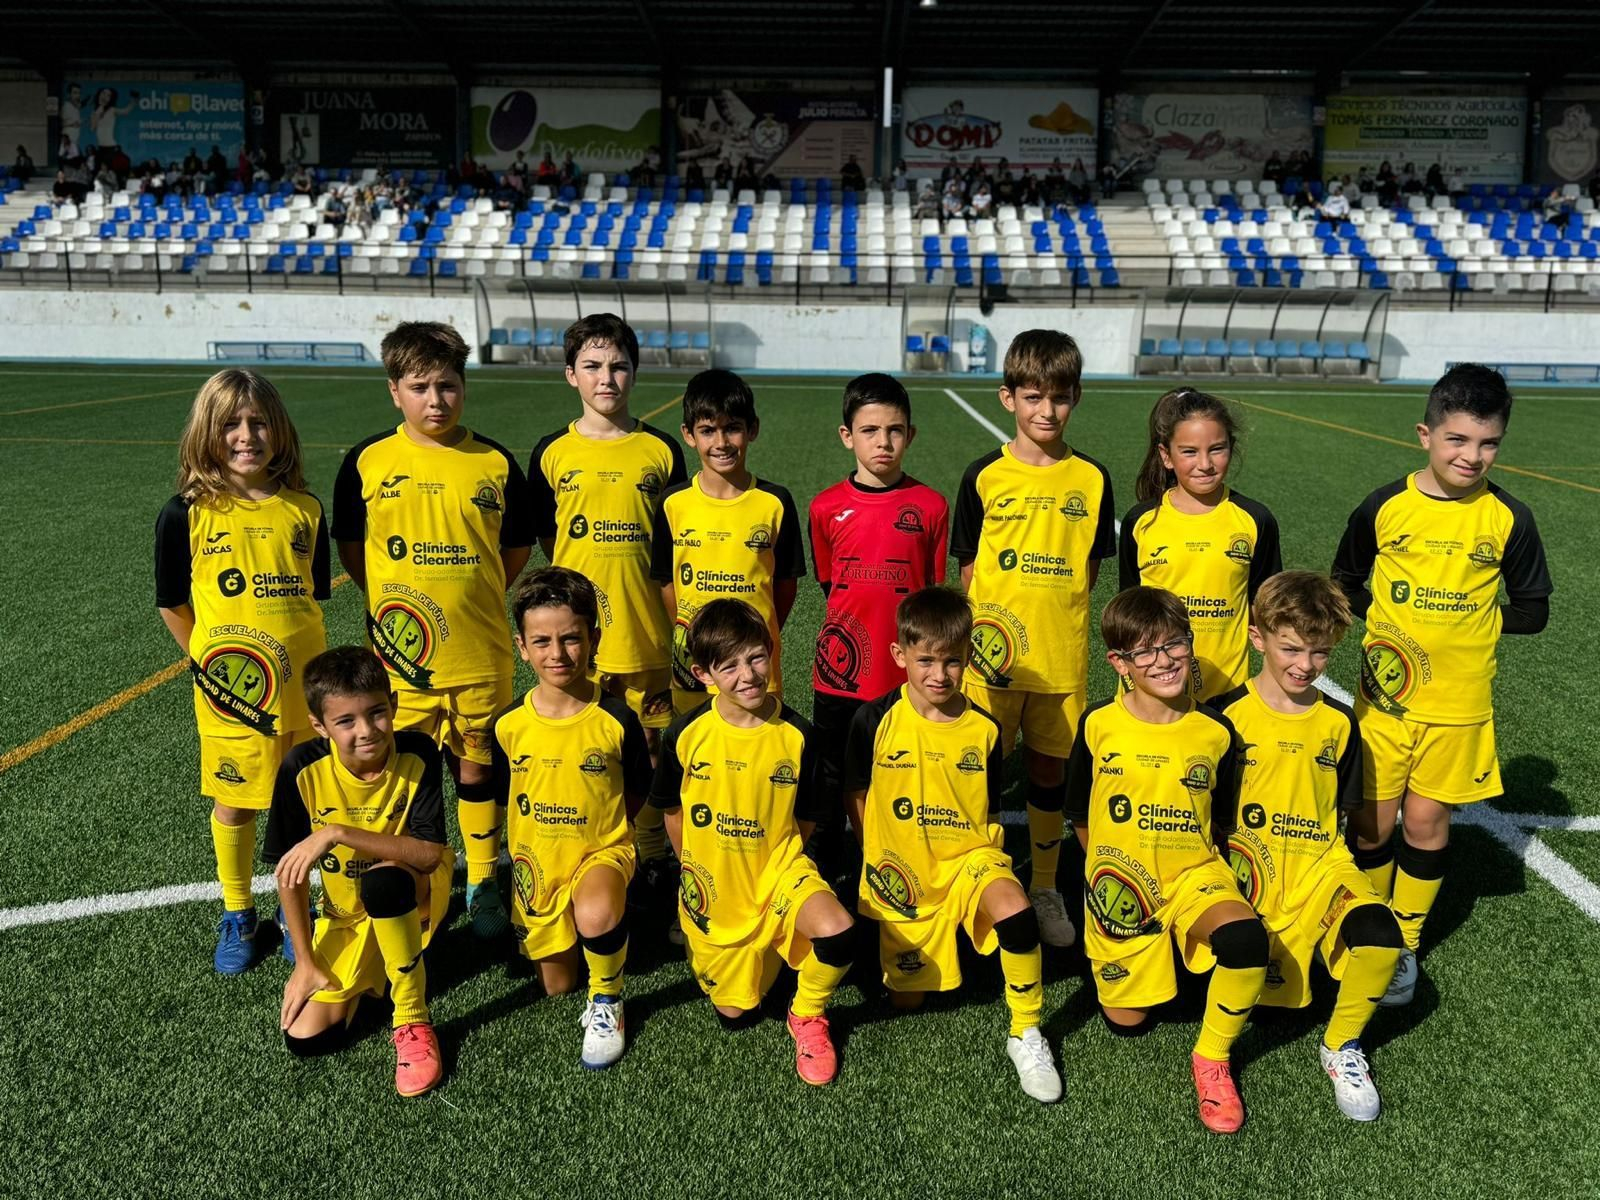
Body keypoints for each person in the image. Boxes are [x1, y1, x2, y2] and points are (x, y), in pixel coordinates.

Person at [1332, 364, 1551, 1006]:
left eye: (1488, 444)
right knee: (1370, 825)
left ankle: (1403, 945)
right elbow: (1345, 582)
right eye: (1457, 440)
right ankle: (1362, 934)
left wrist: (1476, 619)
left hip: (1459, 706)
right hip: (1387, 704)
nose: (1472, 456)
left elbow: (1534, 609)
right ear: (1425, 434)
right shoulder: (1383, 505)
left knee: (1426, 824)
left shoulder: (1510, 517)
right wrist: (1385, 620)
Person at [332, 322, 533, 942]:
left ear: (464, 387)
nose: (435, 400)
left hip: (480, 655)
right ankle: (422, 881)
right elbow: (350, 548)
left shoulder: (494, 461)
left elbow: (517, 548)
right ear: (395, 391)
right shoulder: (368, 461)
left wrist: (472, 594)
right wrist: (396, 605)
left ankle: (482, 881)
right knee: (402, 778)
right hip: (400, 665)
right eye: (420, 387)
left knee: (476, 771)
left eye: (447, 385)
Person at [845, 587, 1063, 1103]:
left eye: (952, 662)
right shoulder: (873, 720)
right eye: (925, 661)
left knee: (1016, 913)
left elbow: (987, 809)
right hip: (905, 870)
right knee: (908, 1000)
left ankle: (1027, 1029)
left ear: (968, 660)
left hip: (970, 860)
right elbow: (858, 797)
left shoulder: (986, 730)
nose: (938, 675)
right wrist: (873, 861)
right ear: (900, 656)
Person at [1066, 586, 1267, 1134]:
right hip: (1121, 886)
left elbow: (1222, 822)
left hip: (1194, 878)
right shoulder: (1095, 724)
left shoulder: (1219, 732)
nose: (1164, 661)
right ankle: (1164, 958)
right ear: (1119, 663)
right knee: (1128, 1023)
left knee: (1247, 943)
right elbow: (1080, 816)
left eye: (1174, 644)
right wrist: (1111, 877)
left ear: (1190, 642)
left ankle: (1212, 1057)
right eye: (1144, 652)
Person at [155, 370, 330, 974]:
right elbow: (173, 604)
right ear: (207, 432)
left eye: (258, 422)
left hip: (305, 690)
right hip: (234, 696)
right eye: (230, 423)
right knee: (235, 804)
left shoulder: (305, 509)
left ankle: (294, 911)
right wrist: (209, 665)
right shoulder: (185, 514)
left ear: (278, 430)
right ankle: (238, 911)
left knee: (304, 799)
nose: (246, 436)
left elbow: (312, 596)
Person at [1212, 571, 1404, 1121]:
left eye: (1320, 653)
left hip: (1321, 868)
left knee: (1381, 937)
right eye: (1291, 648)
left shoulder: (1341, 722)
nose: (1305, 665)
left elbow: (1350, 821)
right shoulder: (1224, 716)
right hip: (1246, 872)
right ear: (1258, 638)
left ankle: (1341, 1046)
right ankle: (1216, 1053)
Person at [950, 329, 1116, 949]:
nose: (1047, 410)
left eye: (1061, 397)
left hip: (1060, 662)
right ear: (1008, 398)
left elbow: (1088, 573)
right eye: (1033, 396)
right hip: (992, 665)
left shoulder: (1093, 479)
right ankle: (978, 883)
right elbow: (970, 571)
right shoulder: (983, 475)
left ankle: (1044, 886)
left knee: (1050, 776)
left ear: (1076, 398)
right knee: (980, 773)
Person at [647, 599, 856, 1085]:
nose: (748, 674)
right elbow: (672, 812)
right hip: (717, 888)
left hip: (780, 872)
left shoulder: (798, 735)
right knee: (735, 1015)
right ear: (703, 673)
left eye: (757, 657)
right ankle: (751, 957)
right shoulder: (686, 733)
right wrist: (694, 869)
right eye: (730, 664)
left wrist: (775, 859)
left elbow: (808, 820)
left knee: (839, 933)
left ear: (772, 652)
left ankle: (806, 1013)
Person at [529, 314, 686, 927]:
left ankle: (651, 859)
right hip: (577, 643)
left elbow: (675, 540)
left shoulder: (660, 451)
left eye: (618, 366)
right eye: (592, 366)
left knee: (649, 750)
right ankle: (587, 862)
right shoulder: (551, 452)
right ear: (571, 375)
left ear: (634, 373)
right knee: (584, 753)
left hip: (647, 634)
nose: (607, 378)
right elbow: (548, 538)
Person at [264, 646, 453, 1097]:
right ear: (319, 726)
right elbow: (289, 874)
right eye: (346, 721)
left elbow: (428, 855)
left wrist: (338, 832)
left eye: (377, 713)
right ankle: (377, 977)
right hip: (345, 914)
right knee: (308, 1038)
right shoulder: (299, 768)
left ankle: (411, 1017)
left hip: (417, 892)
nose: (366, 731)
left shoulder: (418, 753)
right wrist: (306, 962)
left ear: (394, 706)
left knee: (384, 881)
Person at [490, 567, 651, 1069]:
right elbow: (503, 792)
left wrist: (607, 834)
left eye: (570, 639)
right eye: (541, 641)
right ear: (522, 646)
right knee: (556, 987)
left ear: (594, 639)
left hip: (601, 851)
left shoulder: (617, 717)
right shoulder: (508, 724)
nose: (557, 654)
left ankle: (608, 998)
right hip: (538, 860)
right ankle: (603, 933)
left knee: (597, 913)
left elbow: (638, 787)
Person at [808, 373, 948, 888]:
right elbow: (829, 583)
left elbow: (931, 592)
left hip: (901, 671)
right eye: (869, 430)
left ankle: (891, 855)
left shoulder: (931, 506)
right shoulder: (825, 507)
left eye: (894, 430)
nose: (882, 442)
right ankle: (824, 861)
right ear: (847, 436)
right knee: (830, 771)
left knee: (896, 769)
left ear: (910, 435)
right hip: (841, 669)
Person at [649, 369, 805, 715]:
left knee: (760, 749)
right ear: (689, 435)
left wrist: (759, 630)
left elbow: (785, 584)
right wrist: (691, 633)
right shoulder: (673, 503)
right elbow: (666, 582)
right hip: (693, 662)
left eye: (732, 428)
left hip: (756, 662)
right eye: (707, 431)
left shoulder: (775, 502)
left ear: (752, 429)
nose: (720, 442)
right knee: (695, 748)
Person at [1119, 388, 1281, 701]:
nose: (1205, 463)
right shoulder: (1141, 521)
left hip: (1226, 691)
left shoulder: (1255, 519)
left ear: (1231, 448)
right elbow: (1129, 613)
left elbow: (1267, 610)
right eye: (1189, 451)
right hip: (1153, 687)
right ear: (1166, 455)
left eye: (1216, 449)